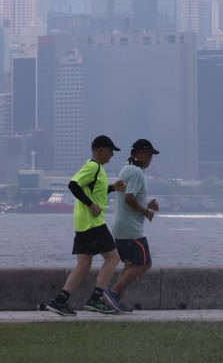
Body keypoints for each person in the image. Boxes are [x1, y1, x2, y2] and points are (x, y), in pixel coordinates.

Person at [46, 134, 127, 316]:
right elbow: (73, 185)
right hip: (93, 223)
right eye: (110, 152)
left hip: (83, 224)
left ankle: (60, 301)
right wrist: (91, 206)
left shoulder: (98, 169)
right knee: (113, 258)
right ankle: (96, 299)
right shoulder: (93, 166)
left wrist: (113, 188)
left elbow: (93, 192)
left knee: (83, 266)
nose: (112, 156)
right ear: (101, 150)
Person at [103, 138, 160, 314]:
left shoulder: (126, 169)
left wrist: (147, 204)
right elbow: (128, 198)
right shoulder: (135, 172)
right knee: (144, 263)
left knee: (130, 264)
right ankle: (111, 292)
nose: (151, 158)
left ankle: (114, 300)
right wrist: (146, 212)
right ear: (139, 154)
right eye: (149, 154)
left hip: (120, 227)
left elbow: (130, 197)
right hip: (131, 229)